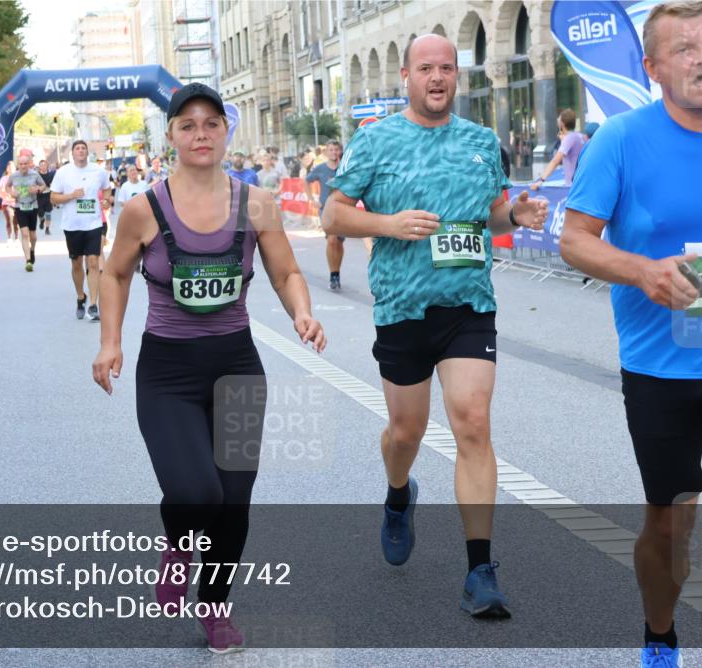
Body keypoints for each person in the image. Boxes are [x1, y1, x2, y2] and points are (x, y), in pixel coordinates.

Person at [92, 82, 325, 654]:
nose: (201, 134)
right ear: (171, 136)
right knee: (196, 491)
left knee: (234, 502)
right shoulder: (143, 209)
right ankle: (178, 543)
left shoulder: (257, 203)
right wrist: (109, 341)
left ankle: (215, 606)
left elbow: (286, 273)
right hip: (167, 372)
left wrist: (302, 313)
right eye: (188, 125)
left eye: (212, 124)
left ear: (225, 132)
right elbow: (114, 273)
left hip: (237, 366)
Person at [322, 34, 547, 619]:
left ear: (456, 76)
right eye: (426, 68)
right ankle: (399, 494)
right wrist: (389, 224)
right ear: (406, 76)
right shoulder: (376, 141)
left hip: (468, 305)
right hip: (403, 309)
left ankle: (480, 571)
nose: (438, 77)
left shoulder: (480, 141)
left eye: (446, 67)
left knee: (473, 422)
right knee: (407, 433)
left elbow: (491, 215)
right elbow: (332, 214)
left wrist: (515, 215)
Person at [559, 3, 702, 666]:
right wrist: (644, 271)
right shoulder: (620, 140)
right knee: (672, 524)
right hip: (661, 370)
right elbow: (574, 240)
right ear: (653, 67)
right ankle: (660, 635)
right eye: (686, 48)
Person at [51, 140, 112, 321]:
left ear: (87, 152)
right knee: (76, 263)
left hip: (93, 223)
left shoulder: (98, 171)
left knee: (93, 262)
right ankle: (81, 297)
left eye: (83, 148)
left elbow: (107, 190)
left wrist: (106, 201)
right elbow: (53, 198)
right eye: (77, 148)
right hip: (72, 225)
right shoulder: (63, 172)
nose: (81, 151)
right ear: (72, 153)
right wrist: (71, 195)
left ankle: (93, 305)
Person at [306, 139, 345, 290]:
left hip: (343, 209)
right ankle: (332, 275)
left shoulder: (345, 167)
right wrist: (312, 200)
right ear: (326, 152)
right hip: (326, 209)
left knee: (339, 242)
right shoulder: (320, 168)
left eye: (336, 149)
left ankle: (337, 273)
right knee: (331, 240)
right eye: (331, 150)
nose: (334, 152)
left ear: (340, 151)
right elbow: (306, 181)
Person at [7, 154, 46, 272]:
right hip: (20, 206)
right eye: (21, 164)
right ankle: (28, 261)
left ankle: (32, 250)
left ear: (29, 164)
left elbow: (43, 185)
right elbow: (7, 186)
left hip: (33, 206)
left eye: (25, 164)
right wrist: (11, 193)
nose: (23, 166)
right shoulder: (14, 176)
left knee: (33, 235)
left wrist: (38, 190)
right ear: (18, 165)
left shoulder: (34, 174)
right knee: (24, 233)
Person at [531, 108, 586, 190]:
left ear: (562, 123)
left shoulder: (569, 139)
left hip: (573, 185)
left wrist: (541, 180)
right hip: (583, 183)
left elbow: (555, 161)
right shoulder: (581, 136)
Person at [111, 163, 149, 244]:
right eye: (131, 171)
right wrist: (133, 206)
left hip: (144, 217)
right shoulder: (125, 186)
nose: (133, 172)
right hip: (131, 218)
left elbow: (149, 199)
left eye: (134, 170)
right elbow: (121, 202)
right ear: (127, 174)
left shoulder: (144, 184)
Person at [0, 161, 18, 245]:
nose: (10, 169)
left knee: (16, 222)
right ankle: (9, 238)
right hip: (6, 203)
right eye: (9, 167)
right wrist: (4, 195)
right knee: (9, 218)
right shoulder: (3, 179)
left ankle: (16, 238)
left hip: (17, 203)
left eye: (12, 167)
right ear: (7, 169)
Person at [36, 159, 55, 235]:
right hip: (39, 196)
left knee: (48, 213)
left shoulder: (51, 175)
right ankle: (41, 220)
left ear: (47, 166)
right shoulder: (37, 175)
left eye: (44, 165)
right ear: (39, 167)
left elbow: (55, 183)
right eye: (41, 165)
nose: (43, 166)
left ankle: (47, 228)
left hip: (48, 196)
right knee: (40, 213)